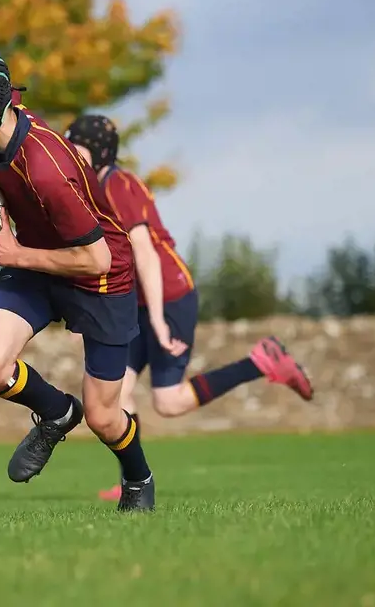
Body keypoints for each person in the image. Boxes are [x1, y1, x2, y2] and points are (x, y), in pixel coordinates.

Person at [0, 46, 155, 512]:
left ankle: (138, 477)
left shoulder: (46, 168)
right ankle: (57, 412)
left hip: (101, 278)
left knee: (104, 417)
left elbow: (96, 259)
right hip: (34, 260)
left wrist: (12, 251)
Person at [64, 114, 314, 502]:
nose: (67, 154)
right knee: (117, 394)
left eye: (73, 146)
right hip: (135, 303)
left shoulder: (117, 185)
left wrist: (160, 321)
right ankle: (133, 480)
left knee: (169, 402)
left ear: (95, 152)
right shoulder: (95, 185)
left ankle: (262, 361)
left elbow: (144, 253)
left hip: (170, 297)